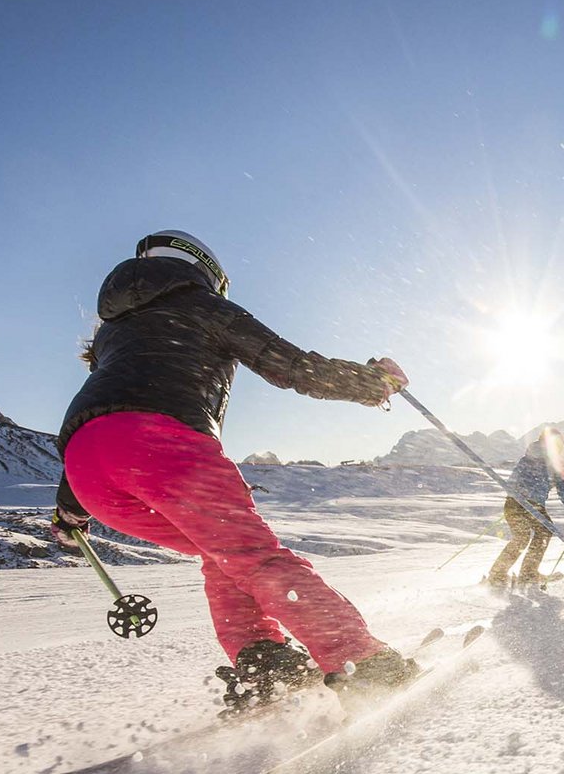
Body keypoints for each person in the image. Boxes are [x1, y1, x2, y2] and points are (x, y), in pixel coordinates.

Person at [52, 230, 418, 713]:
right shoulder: (205, 306)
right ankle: (363, 664)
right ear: (209, 272)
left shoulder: (114, 331)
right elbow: (292, 366)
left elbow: (109, 416)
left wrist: (69, 509)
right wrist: (374, 382)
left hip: (86, 466)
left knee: (220, 554)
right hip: (165, 446)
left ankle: (266, 668)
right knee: (253, 558)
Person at [485, 427, 564, 590]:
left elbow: (513, 480)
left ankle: (497, 574)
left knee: (521, 537)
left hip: (513, 502)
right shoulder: (556, 463)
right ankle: (528, 573)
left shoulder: (527, 457)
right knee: (544, 532)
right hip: (532, 505)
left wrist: (518, 496)